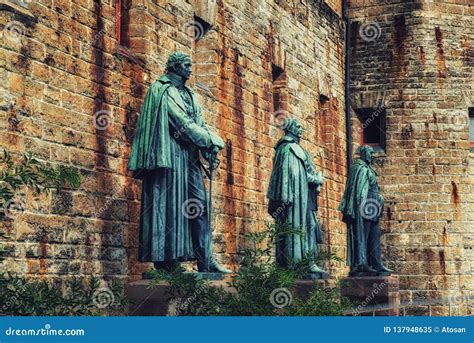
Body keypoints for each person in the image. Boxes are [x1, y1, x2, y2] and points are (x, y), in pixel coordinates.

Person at [128, 51, 230, 273]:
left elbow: (199, 124)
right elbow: (181, 124)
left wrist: (209, 146)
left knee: (200, 206)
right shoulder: (163, 90)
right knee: (170, 207)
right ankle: (166, 261)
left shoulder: (192, 95)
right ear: (174, 67)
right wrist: (211, 140)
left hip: (189, 159)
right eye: (186, 64)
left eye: (191, 64)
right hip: (169, 157)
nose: (190, 69)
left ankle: (206, 260)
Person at [267, 118, 326, 274]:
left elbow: (303, 173)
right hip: (296, 200)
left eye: (301, 127)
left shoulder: (294, 149)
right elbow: (297, 176)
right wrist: (317, 179)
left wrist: (315, 179)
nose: (301, 130)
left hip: (304, 198)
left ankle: (308, 261)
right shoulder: (288, 149)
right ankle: (300, 262)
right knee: (302, 226)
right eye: (298, 127)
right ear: (291, 129)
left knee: (311, 226)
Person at [339, 145, 392, 275]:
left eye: (372, 153)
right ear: (363, 153)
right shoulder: (360, 168)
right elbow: (358, 191)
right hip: (365, 206)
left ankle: (377, 264)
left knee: (375, 234)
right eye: (369, 153)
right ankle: (362, 263)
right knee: (363, 234)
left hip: (372, 206)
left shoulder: (367, 168)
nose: (372, 156)